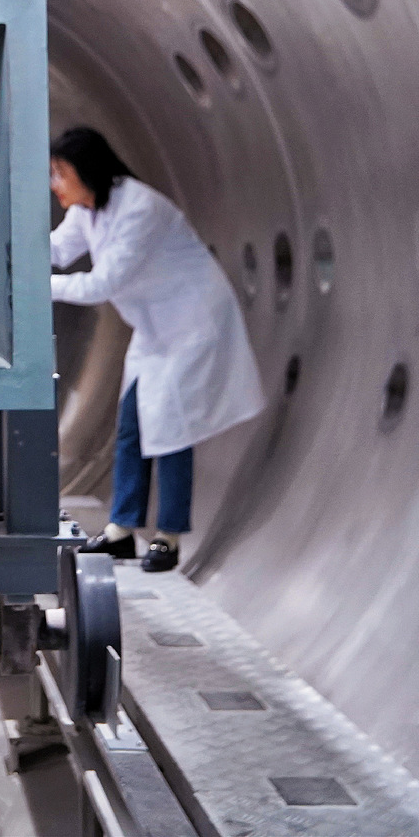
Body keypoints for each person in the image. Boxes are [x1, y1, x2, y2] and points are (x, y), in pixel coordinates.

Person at [50, 127, 263, 573]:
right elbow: (57, 248)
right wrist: (8, 254)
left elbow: (103, 283)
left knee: (170, 431)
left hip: (192, 323)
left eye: (61, 174)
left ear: (88, 171)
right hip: (153, 330)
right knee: (130, 425)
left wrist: (36, 287)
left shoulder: (140, 209)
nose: (56, 184)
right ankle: (121, 531)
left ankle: (169, 537)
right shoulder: (90, 209)